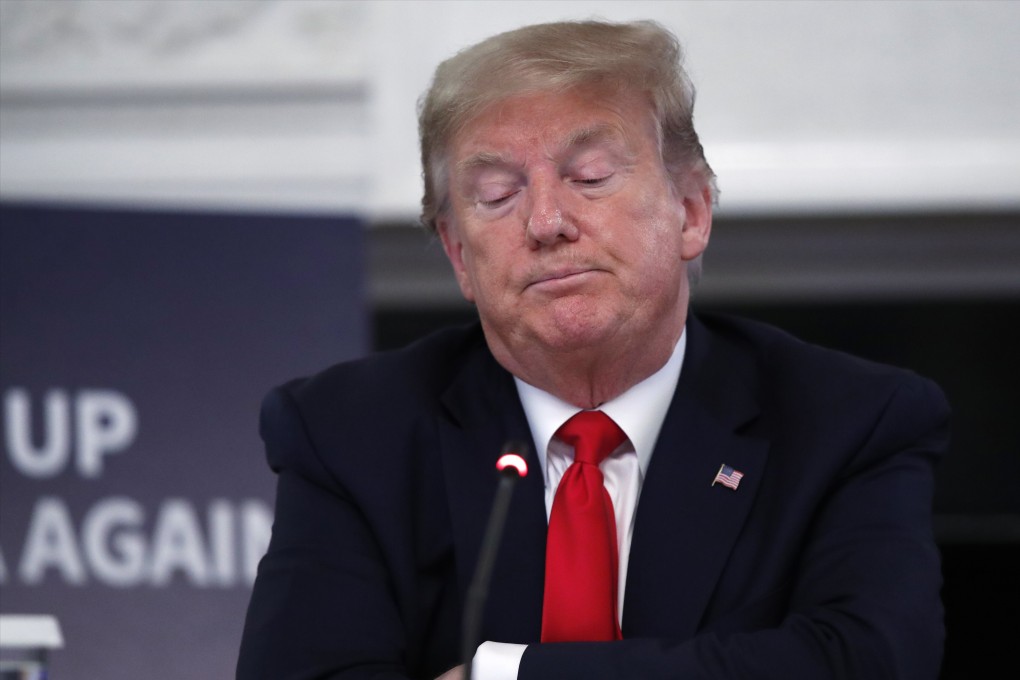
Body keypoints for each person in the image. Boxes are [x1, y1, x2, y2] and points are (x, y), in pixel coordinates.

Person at [237, 20, 948, 680]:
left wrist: (505, 675)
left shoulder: (848, 421)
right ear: (458, 255)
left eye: (591, 178)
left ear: (691, 212)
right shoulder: (349, 432)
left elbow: (868, 661)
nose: (546, 222)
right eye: (497, 194)